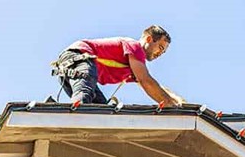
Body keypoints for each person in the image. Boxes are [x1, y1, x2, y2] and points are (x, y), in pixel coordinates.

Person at [52, 25, 182, 107]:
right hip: (80, 59)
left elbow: (153, 85)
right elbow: (146, 81)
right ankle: (76, 119)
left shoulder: (134, 66)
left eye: (163, 51)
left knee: (101, 111)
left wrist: (176, 99)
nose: (160, 53)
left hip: (74, 66)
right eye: (160, 47)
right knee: (84, 103)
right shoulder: (135, 47)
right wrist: (170, 104)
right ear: (149, 39)